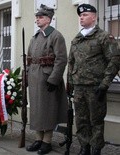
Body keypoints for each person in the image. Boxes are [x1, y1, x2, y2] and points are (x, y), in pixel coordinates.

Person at [67, 4, 120, 155]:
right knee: (81, 120)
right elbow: (71, 62)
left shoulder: (103, 36)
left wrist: (105, 84)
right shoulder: (77, 39)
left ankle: (96, 149)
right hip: (79, 87)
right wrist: (69, 83)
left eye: (84, 15)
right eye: (80, 16)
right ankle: (85, 147)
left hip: (95, 87)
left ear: (94, 17)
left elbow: (115, 60)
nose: (81, 18)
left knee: (96, 121)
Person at [26, 4, 68, 155]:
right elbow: (29, 59)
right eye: (36, 17)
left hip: (47, 78)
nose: (37, 19)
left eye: (41, 17)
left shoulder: (56, 36)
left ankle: (47, 141)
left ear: (49, 19)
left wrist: (54, 79)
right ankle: (38, 139)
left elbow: (61, 59)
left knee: (48, 110)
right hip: (34, 77)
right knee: (36, 109)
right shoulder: (35, 37)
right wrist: (26, 76)